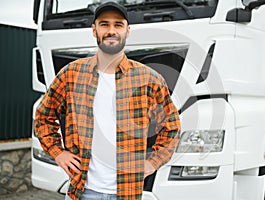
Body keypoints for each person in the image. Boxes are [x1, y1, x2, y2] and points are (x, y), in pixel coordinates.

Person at [34, 1, 181, 200]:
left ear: (127, 31)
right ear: (94, 30)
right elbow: (43, 117)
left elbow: (171, 126)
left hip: (127, 193)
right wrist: (58, 153)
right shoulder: (71, 74)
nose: (111, 31)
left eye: (118, 25)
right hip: (82, 192)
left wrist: (153, 163)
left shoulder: (149, 79)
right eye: (104, 24)